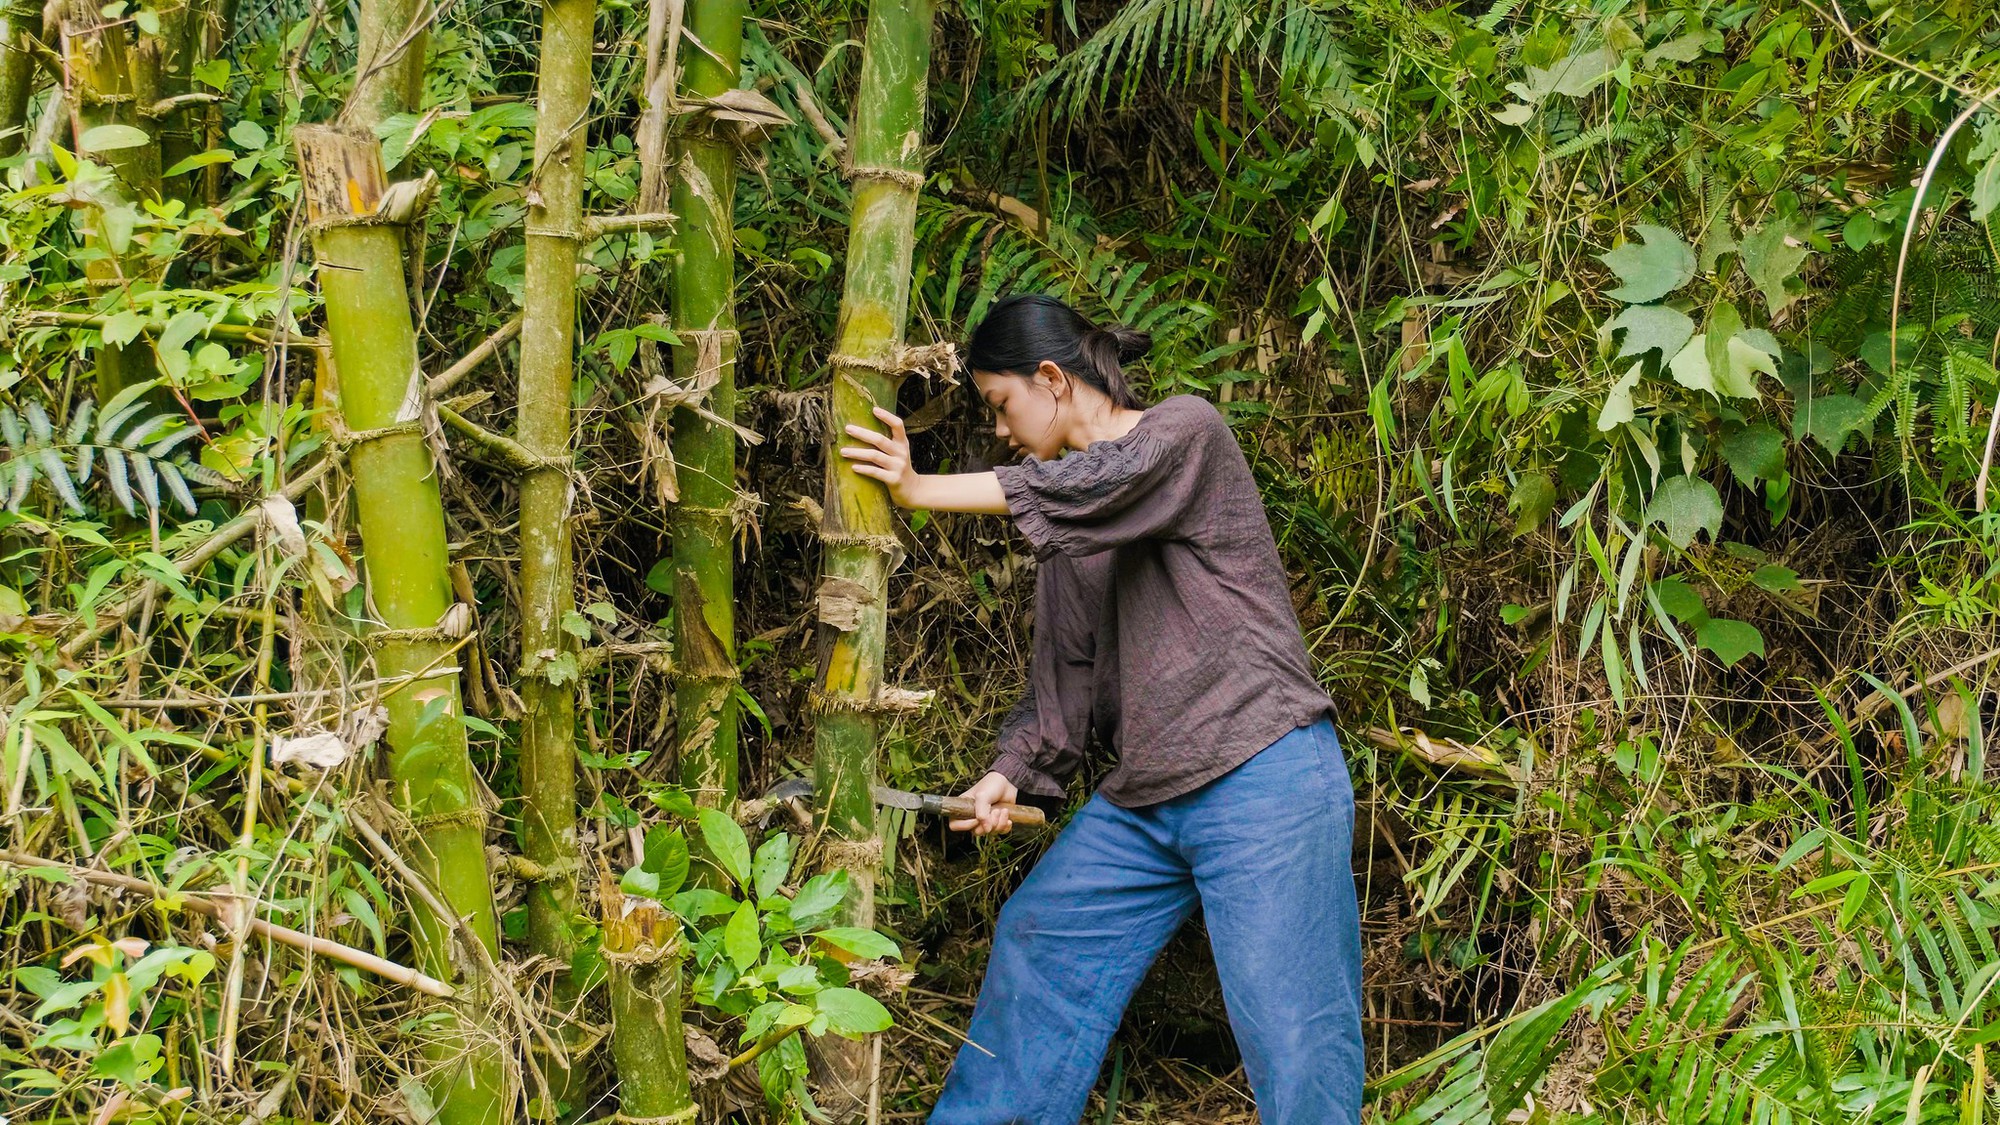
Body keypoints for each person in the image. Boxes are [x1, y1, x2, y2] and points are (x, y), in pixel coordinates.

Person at [838, 294, 1364, 1125]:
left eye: (1002, 404)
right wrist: (1008, 776)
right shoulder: (1070, 540)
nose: (1003, 430)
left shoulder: (1186, 433)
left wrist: (917, 489)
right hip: (1147, 800)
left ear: (1051, 378)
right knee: (1039, 938)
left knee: (1296, 1040)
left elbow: (1101, 478)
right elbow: (1067, 686)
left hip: (1264, 774)